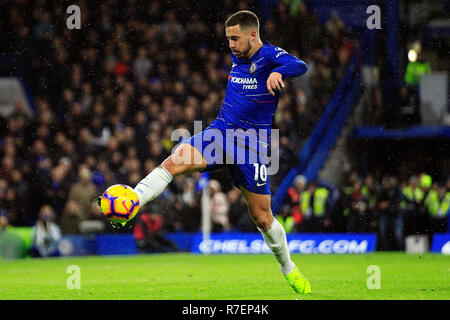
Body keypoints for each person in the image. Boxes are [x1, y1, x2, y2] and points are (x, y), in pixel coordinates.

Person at [99, 10, 311, 294]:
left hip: (253, 146)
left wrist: (278, 71)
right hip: (220, 134)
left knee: (262, 218)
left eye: (235, 39)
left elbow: (300, 65)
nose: (231, 46)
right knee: (174, 161)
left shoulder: (271, 55)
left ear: (252, 35)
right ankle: (134, 199)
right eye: (228, 40)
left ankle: (288, 268)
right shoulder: (240, 55)